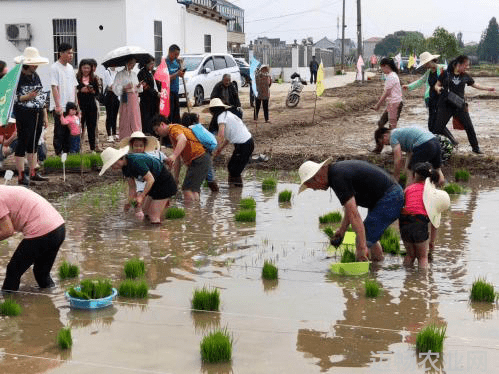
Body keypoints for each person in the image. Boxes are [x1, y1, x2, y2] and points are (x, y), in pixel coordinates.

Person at [298, 159, 404, 262]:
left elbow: (354, 215)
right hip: (385, 197)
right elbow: (351, 208)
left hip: (390, 198)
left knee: (363, 239)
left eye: (313, 187)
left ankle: (369, 271)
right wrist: (342, 230)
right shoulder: (337, 172)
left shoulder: (338, 178)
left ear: (317, 178)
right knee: (369, 236)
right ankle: (377, 267)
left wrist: (361, 247)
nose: (316, 189)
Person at [0, 185, 65, 291]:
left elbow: (8, 230)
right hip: (59, 228)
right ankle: (50, 300)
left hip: (42, 231)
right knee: (41, 273)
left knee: (13, 270)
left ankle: (6, 302)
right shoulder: (3, 190)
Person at [434, 55, 495, 154]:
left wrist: (488, 88)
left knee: (469, 127)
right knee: (438, 128)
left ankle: (475, 148)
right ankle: (446, 144)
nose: (467, 67)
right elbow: (437, 85)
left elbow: (476, 85)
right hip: (445, 105)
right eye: (466, 65)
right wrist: (438, 89)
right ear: (459, 64)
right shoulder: (445, 74)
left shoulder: (465, 76)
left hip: (459, 105)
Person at [99, 146, 177, 224]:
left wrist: (141, 196)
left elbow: (150, 179)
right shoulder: (125, 168)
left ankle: (158, 234)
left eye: (112, 165)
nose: (112, 168)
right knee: (145, 212)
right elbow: (132, 187)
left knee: (153, 216)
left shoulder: (136, 162)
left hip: (164, 183)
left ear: (118, 160)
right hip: (154, 185)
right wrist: (129, 202)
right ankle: (149, 233)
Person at [400, 162, 450, 268]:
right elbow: (434, 222)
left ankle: (407, 280)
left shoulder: (408, 189)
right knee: (423, 257)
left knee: (410, 255)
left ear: (414, 176)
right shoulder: (433, 194)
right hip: (419, 221)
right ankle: (422, 282)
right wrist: (431, 242)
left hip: (404, 221)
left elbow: (403, 205)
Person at [152, 114, 211, 202]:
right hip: (201, 159)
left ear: (162, 124)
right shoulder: (172, 135)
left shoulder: (173, 129)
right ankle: (196, 212)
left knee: (187, 190)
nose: (157, 133)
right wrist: (176, 178)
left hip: (199, 158)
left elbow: (183, 139)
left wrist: (174, 155)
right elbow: (178, 160)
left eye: (157, 130)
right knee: (193, 191)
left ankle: (190, 214)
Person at [13, 47, 50, 185]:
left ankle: (34, 171)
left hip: (37, 113)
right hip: (23, 114)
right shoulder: (17, 77)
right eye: (34, 64)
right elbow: (12, 98)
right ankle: (21, 176)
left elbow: (41, 97)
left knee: (34, 142)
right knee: (23, 142)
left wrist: (45, 115)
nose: (35, 66)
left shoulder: (36, 76)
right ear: (27, 64)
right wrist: (27, 97)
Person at [374, 126, 445, 186]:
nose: (385, 145)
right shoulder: (401, 134)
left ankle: (408, 191)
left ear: (385, 135)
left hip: (425, 144)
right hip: (435, 141)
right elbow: (410, 154)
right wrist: (406, 169)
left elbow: (398, 159)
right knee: (437, 168)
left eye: (383, 142)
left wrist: (396, 177)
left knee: (412, 171)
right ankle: (441, 185)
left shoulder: (393, 136)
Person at [208, 98, 254, 188]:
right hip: (246, 143)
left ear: (213, 111)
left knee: (234, 170)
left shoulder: (221, 117)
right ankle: (233, 191)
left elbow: (221, 135)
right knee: (232, 167)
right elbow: (229, 137)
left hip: (244, 145)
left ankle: (236, 193)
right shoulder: (227, 114)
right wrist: (220, 148)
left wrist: (214, 149)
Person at [119, 131, 163, 219]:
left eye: (141, 146)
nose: (138, 148)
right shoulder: (128, 160)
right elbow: (132, 187)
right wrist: (130, 201)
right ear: (132, 146)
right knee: (138, 207)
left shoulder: (150, 157)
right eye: (136, 145)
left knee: (146, 209)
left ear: (144, 146)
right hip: (141, 187)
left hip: (151, 185)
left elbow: (163, 160)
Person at [402, 52, 445, 133]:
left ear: (429, 61)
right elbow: (420, 81)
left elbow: (447, 83)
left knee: (437, 124)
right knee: (431, 125)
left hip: (440, 100)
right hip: (431, 99)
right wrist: (409, 86)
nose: (424, 66)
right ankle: (441, 142)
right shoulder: (428, 72)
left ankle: (451, 141)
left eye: (425, 63)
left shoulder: (441, 70)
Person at [50, 43, 78, 155]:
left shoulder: (71, 68)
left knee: (69, 131)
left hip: (70, 106)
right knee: (59, 132)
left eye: (72, 53)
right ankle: (58, 153)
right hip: (60, 106)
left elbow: (74, 86)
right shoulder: (54, 67)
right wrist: (58, 106)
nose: (71, 55)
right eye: (69, 52)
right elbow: (54, 87)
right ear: (61, 53)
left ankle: (67, 153)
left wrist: (76, 105)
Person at [181, 112, 219, 192]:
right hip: (208, 148)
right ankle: (212, 192)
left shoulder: (191, 129)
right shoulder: (198, 127)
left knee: (207, 173)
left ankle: (212, 192)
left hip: (203, 151)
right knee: (207, 172)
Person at [372, 57, 403, 153]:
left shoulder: (391, 77)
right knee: (381, 123)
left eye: (382, 68)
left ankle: (395, 149)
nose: (382, 70)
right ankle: (380, 146)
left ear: (386, 66)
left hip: (395, 104)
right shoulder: (391, 75)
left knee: (392, 128)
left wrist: (378, 105)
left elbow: (386, 93)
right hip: (392, 104)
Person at [112, 57, 143, 140]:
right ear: (126, 63)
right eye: (130, 63)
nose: (132, 66)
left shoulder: (134, 74)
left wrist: (138, 86)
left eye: (133, 64)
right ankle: (125, 137)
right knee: (125, 118)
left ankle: (136, 135)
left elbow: (139, 89)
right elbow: (115, 88)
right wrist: (123, 87)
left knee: (135, 117)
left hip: (134, 99)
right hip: (125, 99)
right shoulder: (120, 74)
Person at [76, 59, 100, 152]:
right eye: (84, 67)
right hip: (80, 106)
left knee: (92, 127)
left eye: (88, 68)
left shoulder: (94, 79)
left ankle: (92, 148)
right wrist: (81, 90)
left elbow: (98, 93)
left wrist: (92, 91)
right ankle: (79, 148)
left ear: (91, 69)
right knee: (80, 127)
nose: (86, 70)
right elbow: (74, 90)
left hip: (91, 106)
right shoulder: (77, 78)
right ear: (80, 68)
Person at [138, 56, 159, 135]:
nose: (152, 65)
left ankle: (153, 132)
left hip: (153, 99)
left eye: (153, 63)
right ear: (145, 64)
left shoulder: (151, 72)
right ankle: (146, 132)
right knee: (146, 116)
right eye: (151, 64)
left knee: (153, 116)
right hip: (146, 99)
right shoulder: (141, 73)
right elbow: (145, 87)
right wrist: (156, 93)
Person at [166, 44, 184, 124]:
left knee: (177, 113)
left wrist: (181, 65)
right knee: (170, 113)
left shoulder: (177, 62)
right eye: (175, 54)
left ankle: (177, 129)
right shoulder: (165, 63)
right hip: (168, 92)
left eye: (178, 55)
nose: (177, 56)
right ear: (170, 52)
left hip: (176, 90)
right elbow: (166, 78)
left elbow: (181, 73)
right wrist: (177, 74)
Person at [102, 66, 120, 142]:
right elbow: (110, 85)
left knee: (115, 115)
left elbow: (119, 84)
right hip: (109, 95)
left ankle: (114, 133)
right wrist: (116, 86)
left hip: (116, 95)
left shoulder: (117, 72)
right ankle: (109, 134)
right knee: (109, 115)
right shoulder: (107, 72)